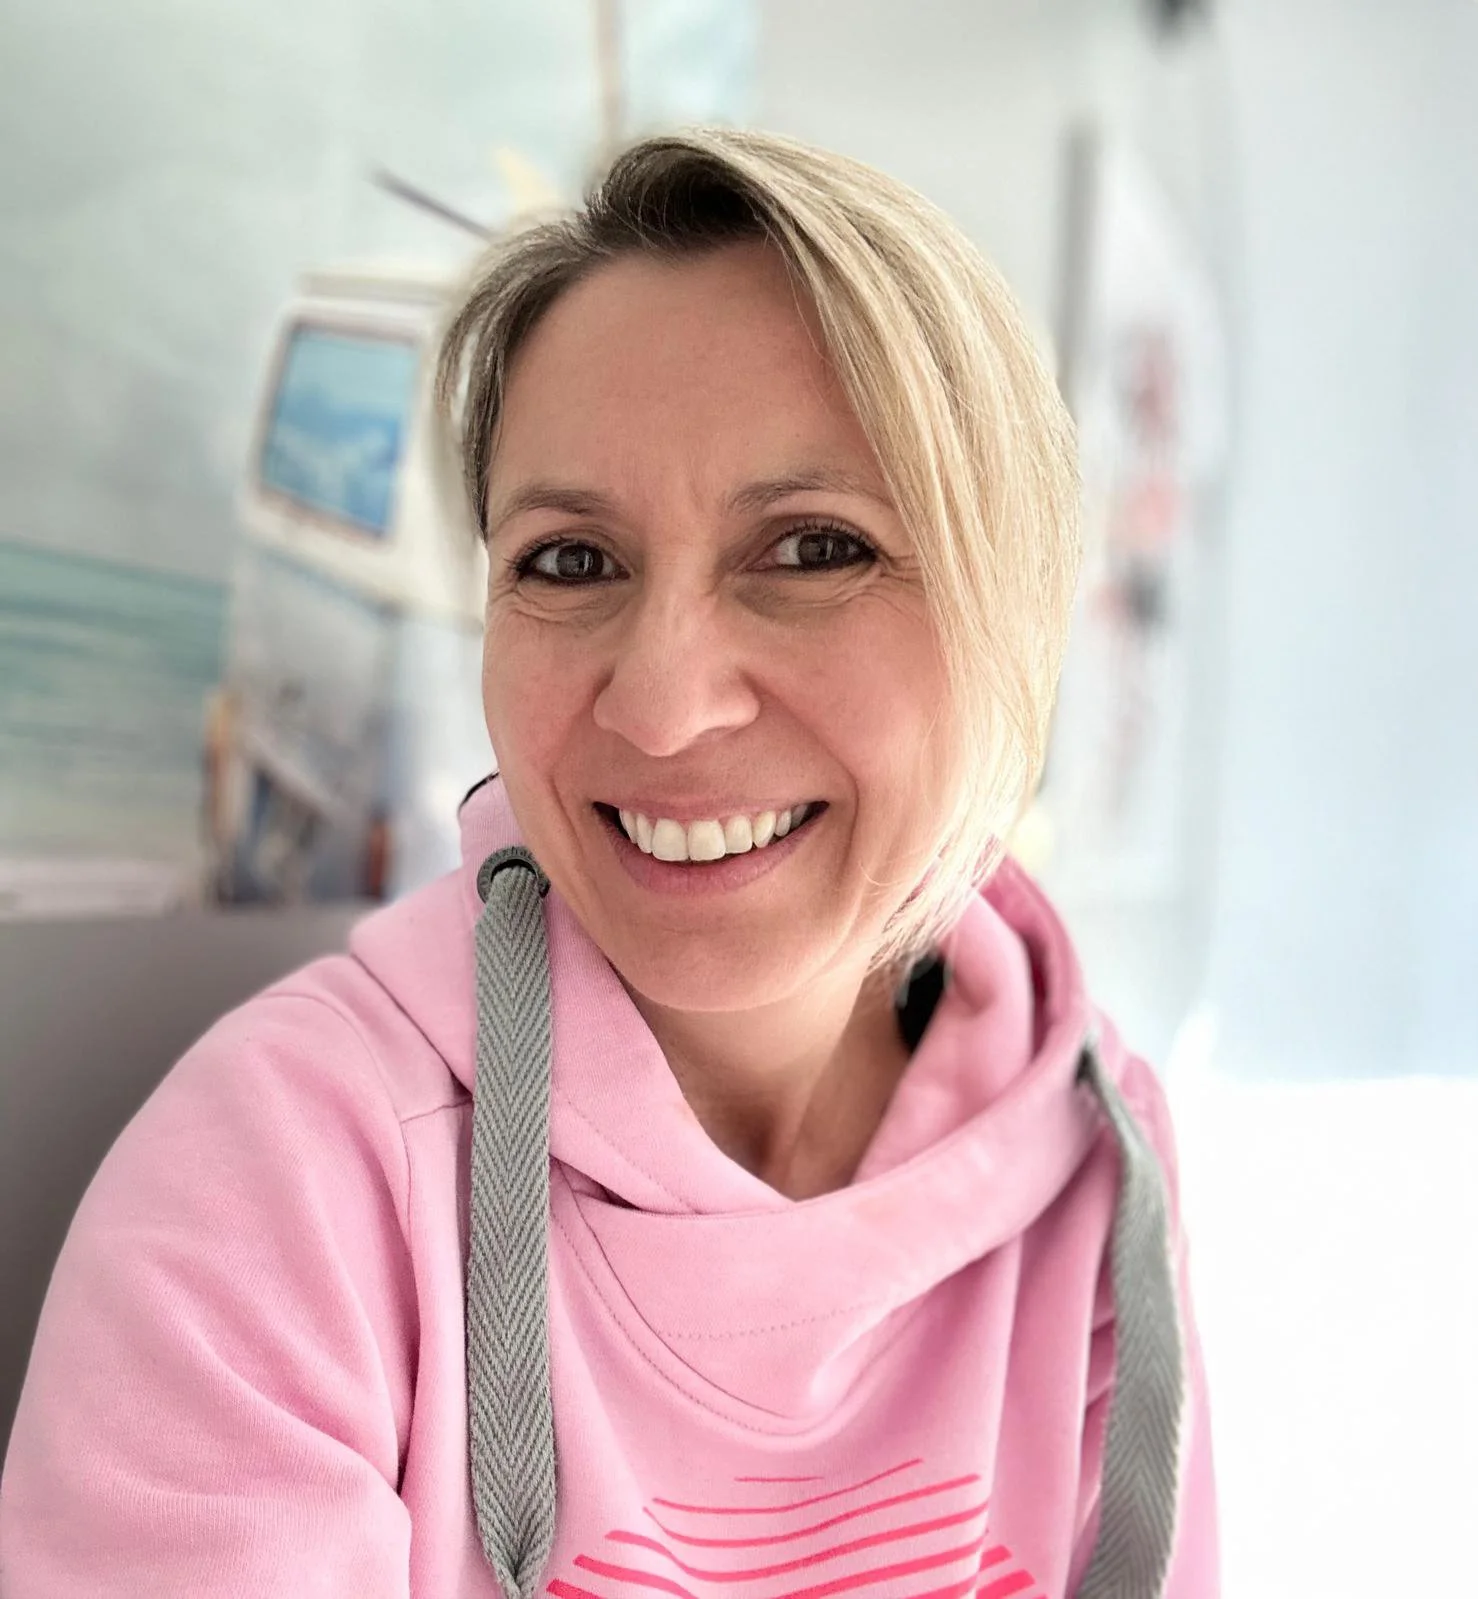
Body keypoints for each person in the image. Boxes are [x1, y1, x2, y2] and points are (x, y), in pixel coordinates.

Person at [0, 128, 1218, 1597]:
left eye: (811, 548)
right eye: (570, 561)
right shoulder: (283, 1186)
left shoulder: (1096, 1160)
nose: (661, 703)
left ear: (1004, 607)